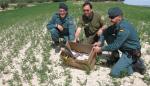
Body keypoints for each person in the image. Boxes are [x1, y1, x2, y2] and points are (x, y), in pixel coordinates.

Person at [93, 7, 146, 77]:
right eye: (109, 17)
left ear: (119, 17)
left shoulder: (124, 28)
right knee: (108, 35)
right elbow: (105, 32)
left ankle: (135, 66)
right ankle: (115, 56)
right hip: (124, 46)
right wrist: (100, 42)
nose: (110, 19)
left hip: (131, 53)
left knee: (114, 73)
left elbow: (115, 45)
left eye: (112, 17)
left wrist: (100, 49)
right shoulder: (117, 25)